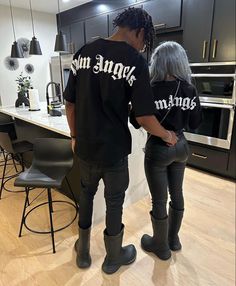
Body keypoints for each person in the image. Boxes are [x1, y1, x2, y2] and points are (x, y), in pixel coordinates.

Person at [64, 8, 177, 274]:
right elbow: (145, 116)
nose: (142, 46)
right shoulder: (134, 60)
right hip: (113, 150)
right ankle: (113, 258)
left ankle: (83, 252)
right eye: (144, 40)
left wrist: (74, 135)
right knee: (114, 202)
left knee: (87, 195)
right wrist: (166, 134)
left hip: (86, 147)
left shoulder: (83, 52)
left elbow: (70, 104)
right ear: (138, 31)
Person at [140, 41, 202, 260]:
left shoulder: (150, 88)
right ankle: (173, 239)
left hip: (158, 148)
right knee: (177, 194)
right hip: (181, 147)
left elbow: (136, 121)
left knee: (159, 199)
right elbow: (195, 123)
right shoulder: (189, 88)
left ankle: (160, 247)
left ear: (157, 63)